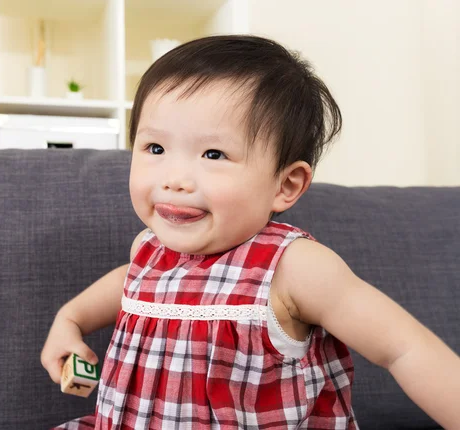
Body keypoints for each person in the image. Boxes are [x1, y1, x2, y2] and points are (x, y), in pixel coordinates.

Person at [41, 35, 460, 429]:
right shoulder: (149, 249)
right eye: (155, 148)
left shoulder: (294, 268)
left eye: (213, 153)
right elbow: (127, 285)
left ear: (285, 185)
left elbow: (404, 347)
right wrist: (70, 319)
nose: (174, 178)